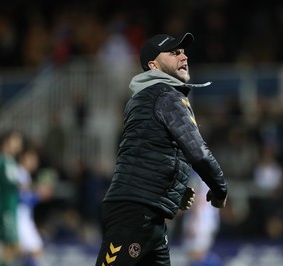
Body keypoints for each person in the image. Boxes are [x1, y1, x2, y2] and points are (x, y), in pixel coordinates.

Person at [95, 32, 228, 266]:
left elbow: (149, 152)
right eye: (174, 52)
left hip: (149, 215)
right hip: (135, 213)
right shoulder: (166, 95)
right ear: (153, 65)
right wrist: (220, 190)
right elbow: (198, 152)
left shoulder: (144, 98)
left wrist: (173, 188)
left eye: (184, 51)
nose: (184, 56)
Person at [0, 130, 24, 266]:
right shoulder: (3, 161)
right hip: (5, 210)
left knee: (11, 248)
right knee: (14, 246)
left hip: (10, 209)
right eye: (16, 140)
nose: (19, 143)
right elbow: (13, 185)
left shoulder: (10, 161)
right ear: (7, 142)